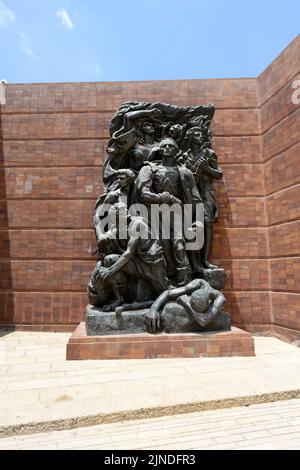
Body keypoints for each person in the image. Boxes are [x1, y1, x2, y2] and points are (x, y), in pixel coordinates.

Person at [135, 137, 204, 285]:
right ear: (160, 150)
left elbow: (196, 198)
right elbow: (143, 193)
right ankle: (164, 281)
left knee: (179, 245)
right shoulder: (150, 169)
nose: (166, 148)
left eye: (170, 146)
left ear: (176, 150)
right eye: (164, 146)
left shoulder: (185, 172)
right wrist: (165, 198)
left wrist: (198, 220)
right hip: (155, 213)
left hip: (177, 213)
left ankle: (184, 278)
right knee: (162, 247)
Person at [181, 127, 223, 269]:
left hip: (206, 192)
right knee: (191, 226)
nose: (200, 136)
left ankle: (205, 260)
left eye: (201, 134)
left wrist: (207, 168)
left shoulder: (208, 154)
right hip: (190, 194)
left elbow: (219, 174)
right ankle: (193, 264)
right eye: (197, 134)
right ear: (191, 137)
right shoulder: (185, 156)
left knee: (207, 224)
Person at [145, 278, 226, 333]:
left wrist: (187, 304)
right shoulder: (197, 284)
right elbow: (168, 293)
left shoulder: (219, 299)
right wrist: (154, 308)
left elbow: (204, 321)